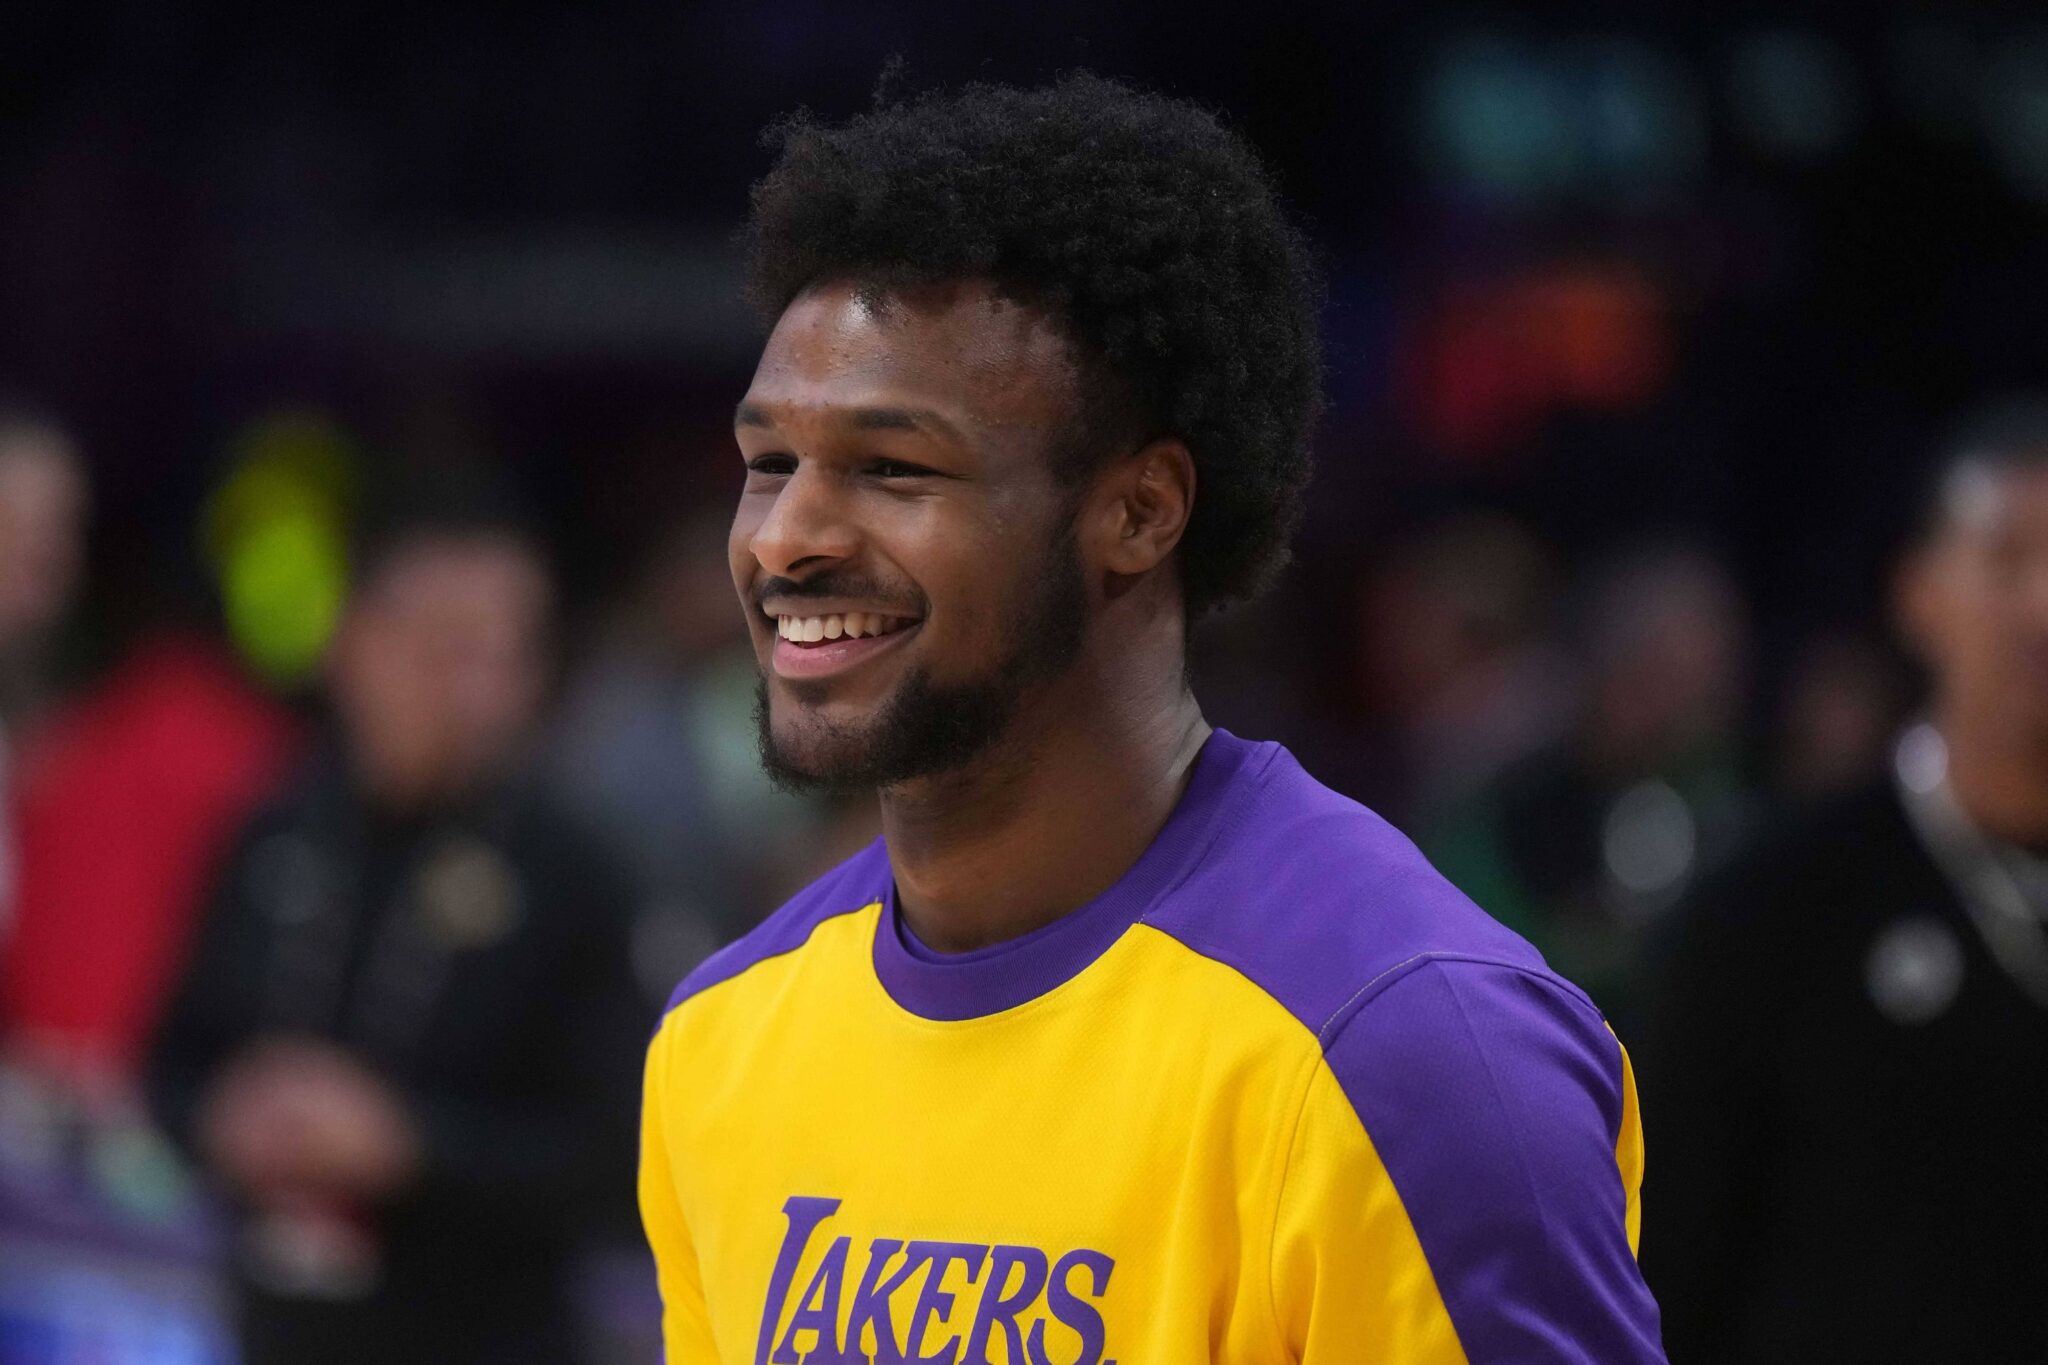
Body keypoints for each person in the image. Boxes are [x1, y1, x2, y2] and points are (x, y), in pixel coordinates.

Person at [640, 76, 1664, 1362]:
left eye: (892, 467)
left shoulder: (1406, 1049)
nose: (784, 537)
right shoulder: (719, 1040)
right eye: (769, 464)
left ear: (1138, 512)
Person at [148, 481, 645, 1365]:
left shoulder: (574, 871)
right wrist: (221, 1115)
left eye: (510, 656)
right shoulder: (277, 828)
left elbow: (616, 1157)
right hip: (281, 1330)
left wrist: (411, 1146)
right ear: (354, 641)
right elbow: (170, 1060)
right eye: (447, 648)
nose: (481, 692)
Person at [1643, 399, 2048, 1362]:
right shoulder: (1765, 910)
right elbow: (1665, 1276)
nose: (2044, 605)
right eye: (2007, 558)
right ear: (1919, 592)